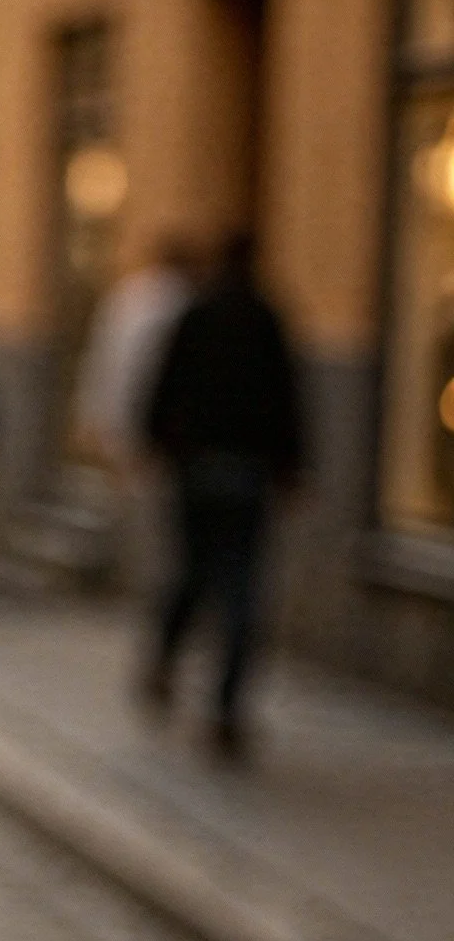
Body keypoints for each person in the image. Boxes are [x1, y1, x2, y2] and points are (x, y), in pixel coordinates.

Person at [142, 231, 305, 757]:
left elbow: (163, 388)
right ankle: (226, 709)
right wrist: (292, 467)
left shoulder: (197, 315)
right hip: (249, 474)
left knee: (193, 571)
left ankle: (165, 661)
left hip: (196, 470)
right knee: (241, 587)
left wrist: (161, 446)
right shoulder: (268, 319)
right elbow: (288, 400)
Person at [74, 234, 199, 472]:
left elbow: (103, 360)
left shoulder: (128, 295)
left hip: (125, 416)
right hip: (162, 424)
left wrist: (92, 414)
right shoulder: (184, 302)